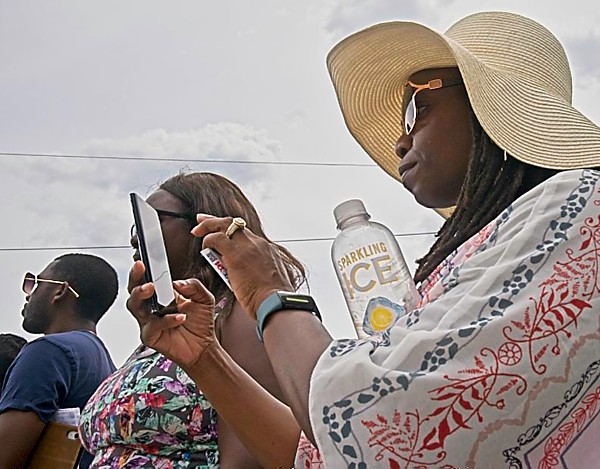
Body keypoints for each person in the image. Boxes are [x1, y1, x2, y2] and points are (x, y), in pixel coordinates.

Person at [128, 11, 600, 468]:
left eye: (417, 107)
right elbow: (322, 450)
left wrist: (273, 295)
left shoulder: (581, 202)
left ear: (492, 105)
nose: (400, 140)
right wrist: (205, 357)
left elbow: (388, 426)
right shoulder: (500, 249)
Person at [79, 172, 307, 468]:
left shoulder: (241, 312)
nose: (135, 236)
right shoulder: (166, 330)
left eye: (152, 219)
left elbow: (255, 458)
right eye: (136, 224)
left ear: (204, 225)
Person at [0, 253, 118, 468]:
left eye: (36, 283)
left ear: (60, 291)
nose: (29, 294)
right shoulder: (106, 365)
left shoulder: (48, 351)